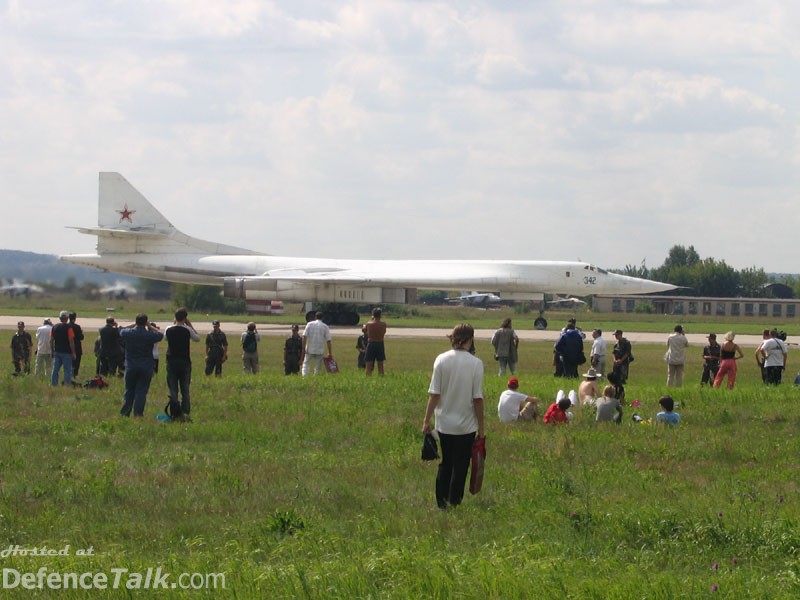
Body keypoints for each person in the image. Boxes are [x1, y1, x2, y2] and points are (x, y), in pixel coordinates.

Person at [422, 323, 485, 509]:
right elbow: (477, 399)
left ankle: (441, 501)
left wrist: (426, 420)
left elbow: (434, 394)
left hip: (444, 424)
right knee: (461, 465)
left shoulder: (441, 360)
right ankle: (454, 500)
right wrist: (481, 428)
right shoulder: (476, 363)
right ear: (470, 339)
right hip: (466, 425)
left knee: (446, 462)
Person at [119, 314, 164, 417]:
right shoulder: (149, 334)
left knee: (129, 390)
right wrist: (150, 326)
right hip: (146, 366)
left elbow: (121, 329)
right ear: (145, 322)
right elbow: (160, 335)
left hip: (131, 365)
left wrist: (133, 324)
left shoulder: (129, 333)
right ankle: (138, 414)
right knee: (141, 391)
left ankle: (125, 412)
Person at [165, 308, 200, 419]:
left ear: (175, 318)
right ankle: (185, 412)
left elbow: (165, 338)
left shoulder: (168, 329)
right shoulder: (187, 330)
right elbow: (197, 338)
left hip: (171, 361)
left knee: (173, 389)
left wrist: (174, 323)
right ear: (185, 318)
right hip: (184, 361)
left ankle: (174, 412)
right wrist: (190, 325)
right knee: (185, 389)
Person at [50, 310, 76, 386]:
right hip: (67, 352)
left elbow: (51, 340)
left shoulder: (54, 327)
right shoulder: (69, 328)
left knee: (55, 370)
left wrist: (52, 351)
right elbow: (71, 341)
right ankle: (67, 384)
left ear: (60, 318)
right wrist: (73, 352)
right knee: (67, 370)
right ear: (67, 318)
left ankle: (53, 384)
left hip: (57, 351)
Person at [365, 307, 387, 376]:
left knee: (369, 364)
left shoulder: (369, 324)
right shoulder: (383, 324)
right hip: (380, 344)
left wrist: (370, 320)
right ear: (380, 315)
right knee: (380, 364)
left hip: (371, 344)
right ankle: (381, 376)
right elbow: (383, 332)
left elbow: (364, 330)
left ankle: (368, 377)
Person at [68, 312, 85, 379]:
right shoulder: (77, 327)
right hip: (77, 346)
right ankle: (75, 374)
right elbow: (81, 337)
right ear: (75, 318)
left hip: (68, 346)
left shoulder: (67, 326)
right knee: (76, 362)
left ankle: (69, 374)